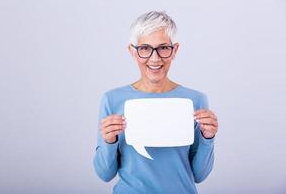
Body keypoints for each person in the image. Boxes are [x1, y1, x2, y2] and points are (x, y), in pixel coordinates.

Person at [93, 11, 218, 194]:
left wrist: (208, 139)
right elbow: (104, 174)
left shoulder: (195, 100)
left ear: (174, 50)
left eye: (163, 48)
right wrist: (108, 141)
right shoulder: (112, 100)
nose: (155, 58)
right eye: (145, 48)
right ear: (132, 51)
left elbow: (199, 175)